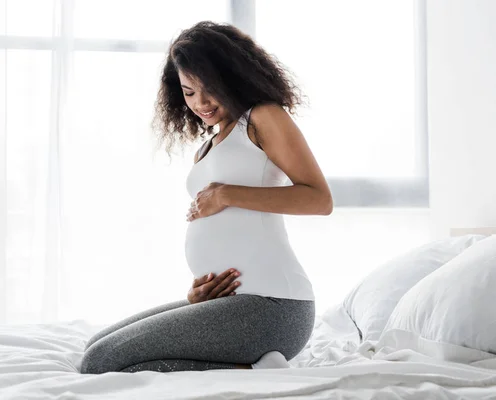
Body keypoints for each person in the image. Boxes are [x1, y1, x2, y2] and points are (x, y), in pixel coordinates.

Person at [80, 20, 333, 374]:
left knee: (100, 361)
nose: (200, 102)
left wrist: (227, 194)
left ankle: (253, 368)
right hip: (230, 300)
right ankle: (242, 360)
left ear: (233, 75)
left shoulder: (263, 117)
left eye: (208, 88)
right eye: (188, 92)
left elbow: (320, 200)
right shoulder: (212, 142)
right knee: (94, 346)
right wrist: (197, 301)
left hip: (275, 305)